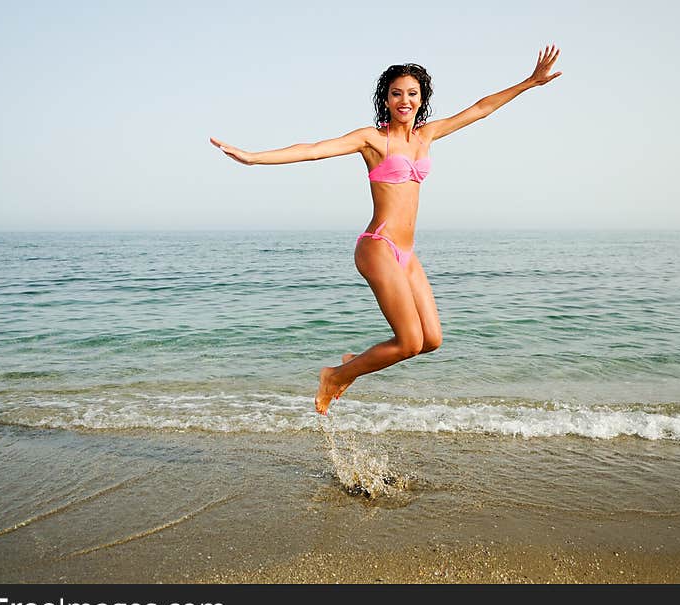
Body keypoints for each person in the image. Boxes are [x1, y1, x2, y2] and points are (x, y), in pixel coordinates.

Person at [210, 45, 562, 415]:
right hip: (377, 245)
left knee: (432, 340)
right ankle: (334, 375)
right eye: (396, 93)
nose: (404, 100)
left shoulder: (426, 137)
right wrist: (253, 157)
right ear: (387, 98)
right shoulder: (373, 140)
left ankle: (355, 362)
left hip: (407, 253)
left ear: (422, 97)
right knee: (409, 342)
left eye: (412, 93)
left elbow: (480, 108)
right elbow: (314, 149)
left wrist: (529, 82)